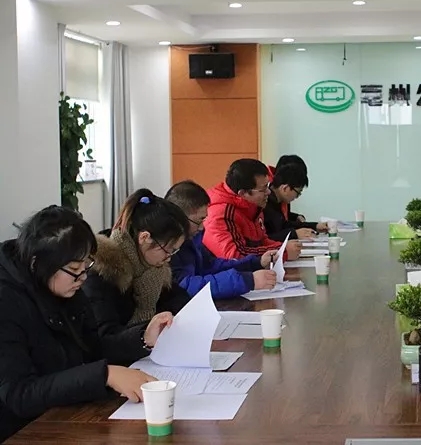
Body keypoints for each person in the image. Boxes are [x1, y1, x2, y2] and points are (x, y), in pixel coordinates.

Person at [0, 206, 172, 441]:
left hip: (67, 415)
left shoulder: (64, 285)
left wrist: (143, 337)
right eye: (74, 269)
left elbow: (92, 347)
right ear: (36, 263)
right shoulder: (7, 301)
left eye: (86, 266)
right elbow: (19, 394)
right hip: (22, 431)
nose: (82, 277)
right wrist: (104, 375)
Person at [82, 189, 192, 337]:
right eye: (168, 250)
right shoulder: (101, 272)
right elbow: (105, 336)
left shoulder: (153, 268)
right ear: (145, 238)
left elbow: (179, 298)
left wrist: (167, 316)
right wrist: (145, 333)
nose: (169, 258)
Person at [165, 181, 278, 300]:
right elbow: (185, 287)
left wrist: (256, 263)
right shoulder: (166, 248)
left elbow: (211, 265)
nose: (202, 227)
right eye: (199, 220)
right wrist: (247, 281)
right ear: (180, 218)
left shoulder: (192, 238)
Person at [203, 158, 302, 260]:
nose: (268, 192)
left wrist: (282, 246)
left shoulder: (253, 206)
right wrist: (281, 252)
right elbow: (235, 255)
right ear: (243, 193)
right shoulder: (221, 213)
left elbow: (262, 241)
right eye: (263, 189)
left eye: (268, 186)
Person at [263, 164, 328, 242]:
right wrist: (295, 234)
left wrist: (315, 226)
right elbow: (265, 239)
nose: (297, 197)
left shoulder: (278, 201)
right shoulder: (265, 204)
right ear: (285, 188)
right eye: (298, 193)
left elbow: (284, 225)